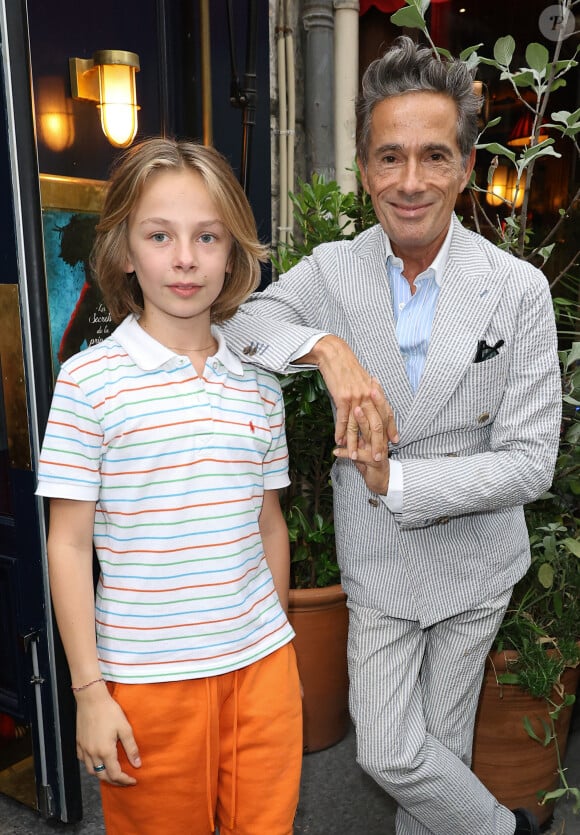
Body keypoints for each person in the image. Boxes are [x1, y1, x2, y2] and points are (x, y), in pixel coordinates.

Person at [221, 36, 561, 835]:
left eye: (434, 156)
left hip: (476, 558)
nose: (411, 182)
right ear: (365, 170)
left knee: (437, 749)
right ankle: (505, 829)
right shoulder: (335, 270)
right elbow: (240, 323)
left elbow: (531, 462)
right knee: (388, 748)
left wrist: (396, 483)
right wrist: (323, 347)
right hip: (378, 563)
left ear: (466, 167)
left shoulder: (516, 290)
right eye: (390, 157)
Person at [36, 138, 302, 835]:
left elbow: (268, 522)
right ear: (126, 250)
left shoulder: (259, 386)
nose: (185, 257)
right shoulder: (88, 382)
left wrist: (276, 644)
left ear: (231, 252)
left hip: (261, 674)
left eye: (206, 236)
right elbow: (67, 544)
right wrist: (89, 691)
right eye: (161, 235)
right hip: (147, 683)